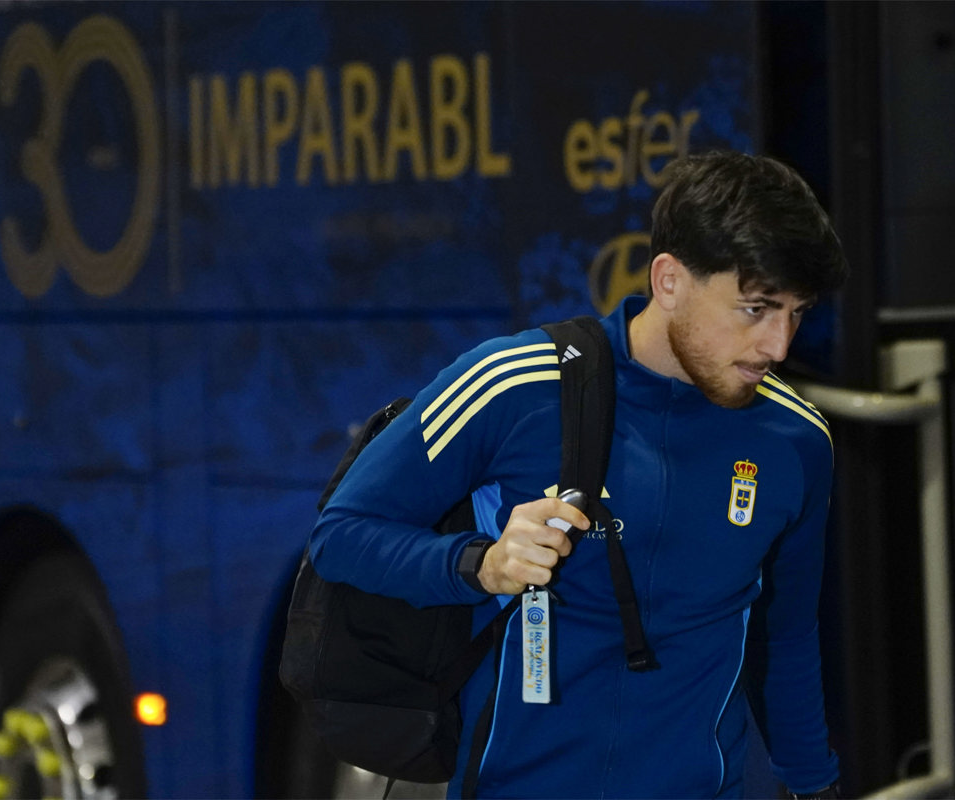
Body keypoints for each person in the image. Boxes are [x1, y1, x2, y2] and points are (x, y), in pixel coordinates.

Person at [308, 150, 849, 799]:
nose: (779, 345)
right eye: (756, 309)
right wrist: (479, 565)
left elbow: (787, 645)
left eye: (797, 312)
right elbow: (340, 536)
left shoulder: (798, 440)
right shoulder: (513, 385)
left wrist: (817, 789)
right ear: (670, 280)